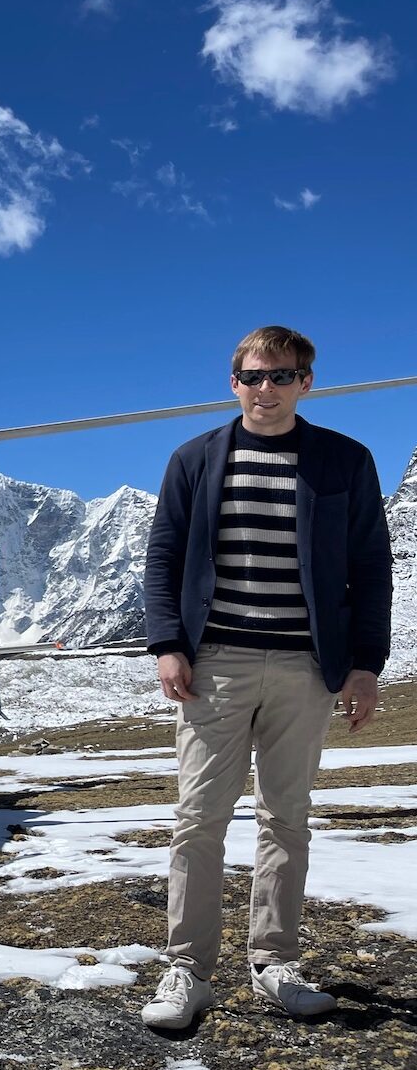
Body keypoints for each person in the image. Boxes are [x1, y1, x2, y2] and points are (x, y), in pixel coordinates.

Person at [141, 325, 393, 1029]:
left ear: (307, 382)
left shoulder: (346, 460)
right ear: (234, 383)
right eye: (254, 376)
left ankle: (275, 962)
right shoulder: (193, 459)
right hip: (212, 666)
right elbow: (162, 557)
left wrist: (364, 664)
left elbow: (373, 568)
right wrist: (168, 642)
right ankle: (186, 969)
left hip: (306, 670)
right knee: (199, 819)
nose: (267, 389)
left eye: (283, 376)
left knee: (287, 818)